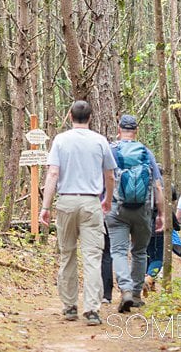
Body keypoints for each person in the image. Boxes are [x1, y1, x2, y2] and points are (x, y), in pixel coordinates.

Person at [39, 100, 117, 326]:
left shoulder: (61, 141)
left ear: (70, 116)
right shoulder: (100, 141)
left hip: (66, 202)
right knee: (92, 257)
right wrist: (107, 200)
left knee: (68, 254)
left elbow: (53, 173)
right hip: (91, 202)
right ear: (90, 117)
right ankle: (92, 309)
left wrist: (45, 207)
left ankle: (70, 306)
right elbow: (110, 176)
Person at [106, 113, 164, 313]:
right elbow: (158, 185)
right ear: (136, 131)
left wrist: (103, 203)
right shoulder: (146, 153)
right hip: (142, 210)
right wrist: (162, 214)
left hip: (116, 209)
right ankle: (137, 293)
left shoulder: (111, 150)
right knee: (140, 252)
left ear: (119, 129)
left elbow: (105, 180)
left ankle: (126, 290)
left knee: (119, 251)